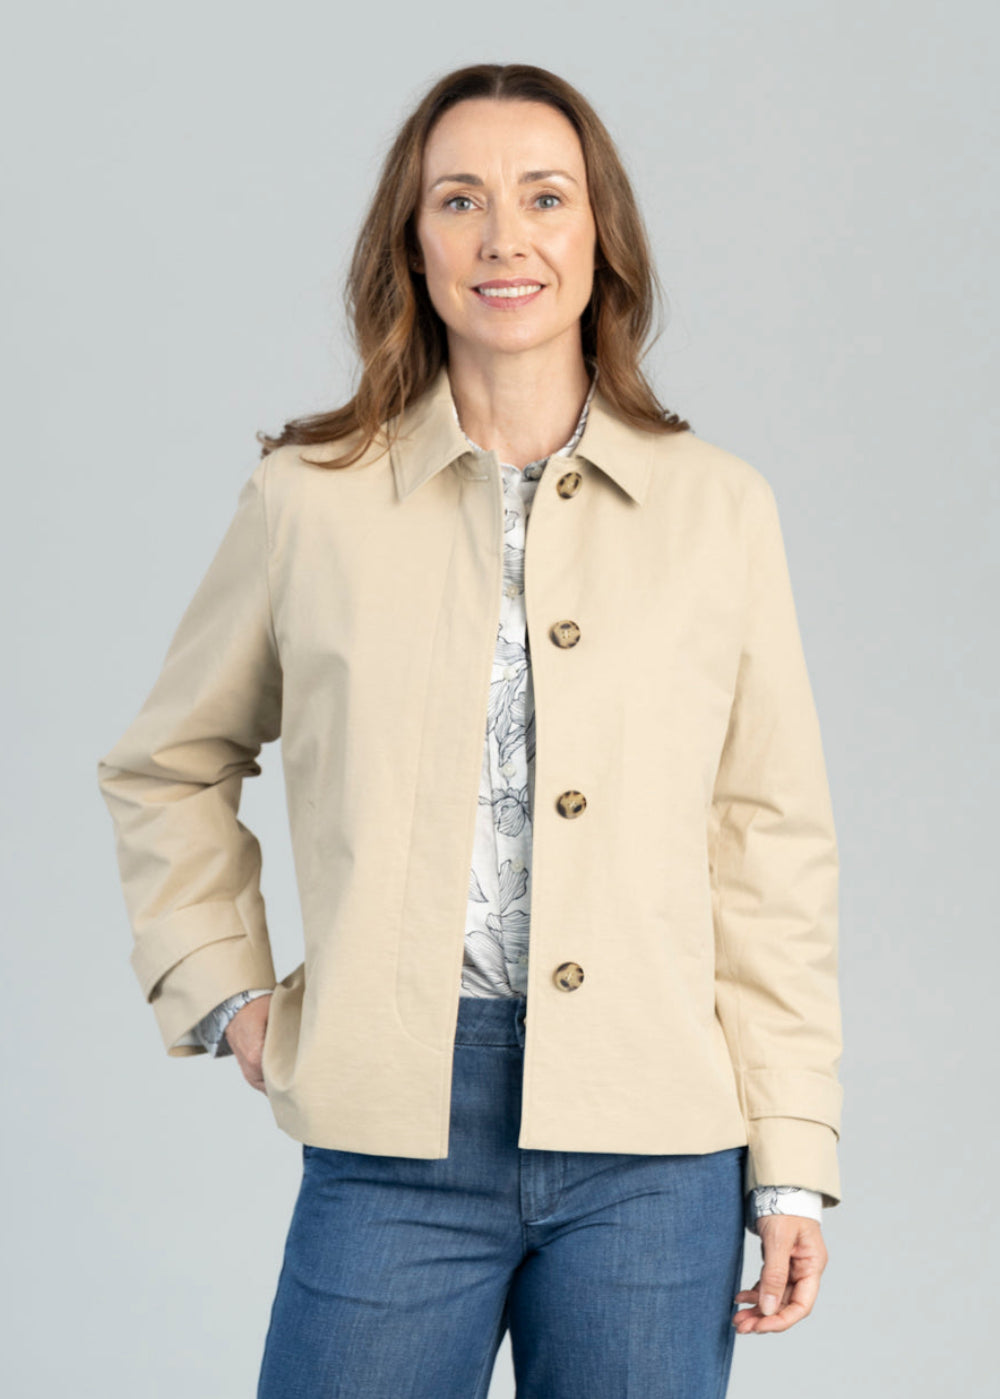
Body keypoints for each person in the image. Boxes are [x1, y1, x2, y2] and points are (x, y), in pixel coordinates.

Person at [96, 62, 844, 1398]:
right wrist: (227, 990)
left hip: (657, 1147)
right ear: (413, 242)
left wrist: (790, 1154)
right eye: (461, 200)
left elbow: (768, 846)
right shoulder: (310, 500)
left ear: (600, 236)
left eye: (545, 197)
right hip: (393, 1127)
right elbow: (169, 764)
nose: (506, 238)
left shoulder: (718, 509)